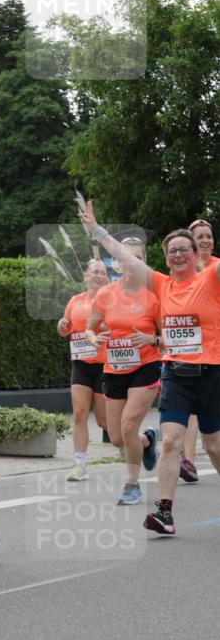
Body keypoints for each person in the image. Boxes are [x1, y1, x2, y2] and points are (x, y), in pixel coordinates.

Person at [79, 201, 220, 535]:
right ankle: (164, 512)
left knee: (213, 446)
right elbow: (125, 256)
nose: (178, 255)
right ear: (166, 256)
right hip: (174, 375)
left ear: (196, 254)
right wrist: (96, 229)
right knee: (171, 441)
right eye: (172, 251)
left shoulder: (211, 279)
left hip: (211, 373)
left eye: (185, 249)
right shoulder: (160, 284)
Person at [84, 238, 160, 504]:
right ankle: (148, 441)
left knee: (128, 425)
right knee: (117, 437)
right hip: (114, 367)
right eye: (127, 257)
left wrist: (152, 340)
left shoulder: (154, 294)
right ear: (117, 262)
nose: (132, 262)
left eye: (137, 257)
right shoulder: (106, 294)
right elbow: (90, 327)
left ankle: (132, 484)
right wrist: (93, 338)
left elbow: (167, 333)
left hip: (146, 366)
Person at [57, 258, 109, 481]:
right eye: (94, 271)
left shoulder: (111, 300)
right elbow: (65, 328)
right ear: (86, 276)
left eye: (101, 272)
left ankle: (140, 442)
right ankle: (79, 464)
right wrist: (61, 326)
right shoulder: (75, 301)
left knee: (105, 421)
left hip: (104, 364)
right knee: (79, 414)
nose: (97, 275)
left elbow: (120, 325)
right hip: (80, 364)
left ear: (106, 277)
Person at [179, 218, 219, 482]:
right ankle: (188, 461)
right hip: (191, 348)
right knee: (191, 408)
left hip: (216, 345)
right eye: (200, 236)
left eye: (209, 235)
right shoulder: (184, 269)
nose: (205, 240)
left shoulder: (216, 267)